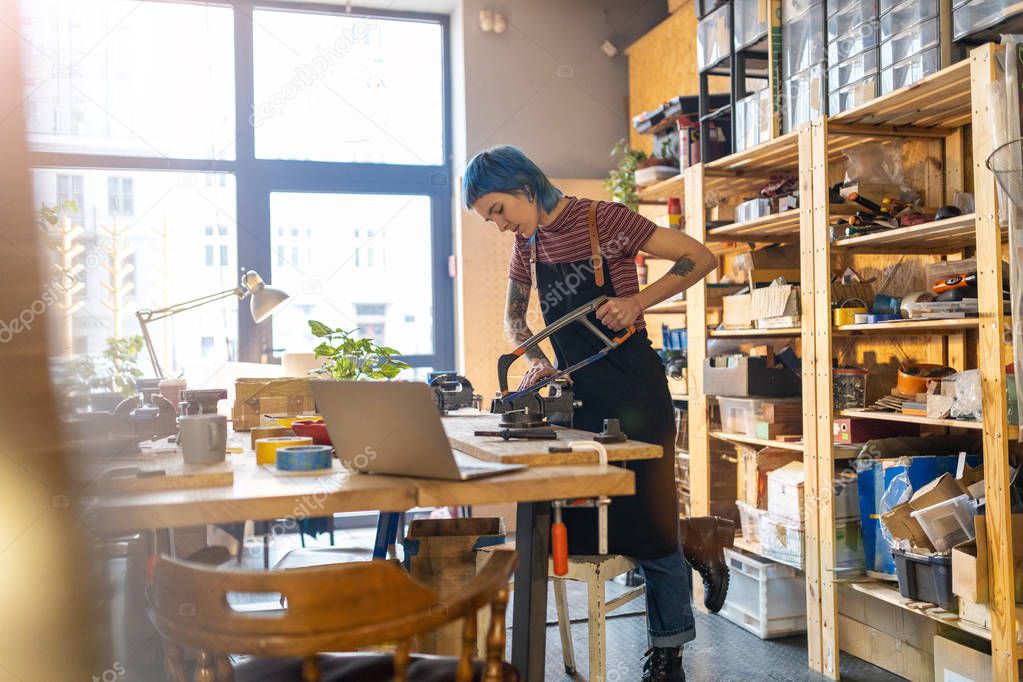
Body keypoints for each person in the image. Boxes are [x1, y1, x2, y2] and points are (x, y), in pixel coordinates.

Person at [464, 145, 732, 682]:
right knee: (584, 526)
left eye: (497, 210)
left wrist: (640, 301)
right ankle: (693, 541)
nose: (498, 225)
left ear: (523, 187)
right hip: (575, 397)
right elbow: (514, 316)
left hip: (636, 388)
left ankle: (668, 653)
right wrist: (538, 362)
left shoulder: (602, 219)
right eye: (488, 217)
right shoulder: (528, 244)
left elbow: (700, 258)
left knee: (651, 529)